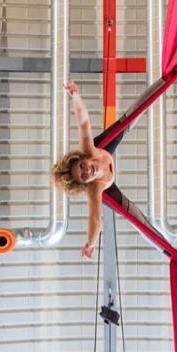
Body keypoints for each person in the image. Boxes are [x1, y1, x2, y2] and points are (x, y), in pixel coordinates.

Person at [51, 78, 117, 260]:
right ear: (84, 184)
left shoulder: (88, 150)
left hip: (104, 148)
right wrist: (91, 243)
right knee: (135, 218)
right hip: (109, 187)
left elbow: (83, 123)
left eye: (82, 166)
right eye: (82, 176)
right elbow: (95, 217)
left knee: (129, 119)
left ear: (83, 159)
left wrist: (76, 96)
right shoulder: (94, 188)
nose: (87, 171)